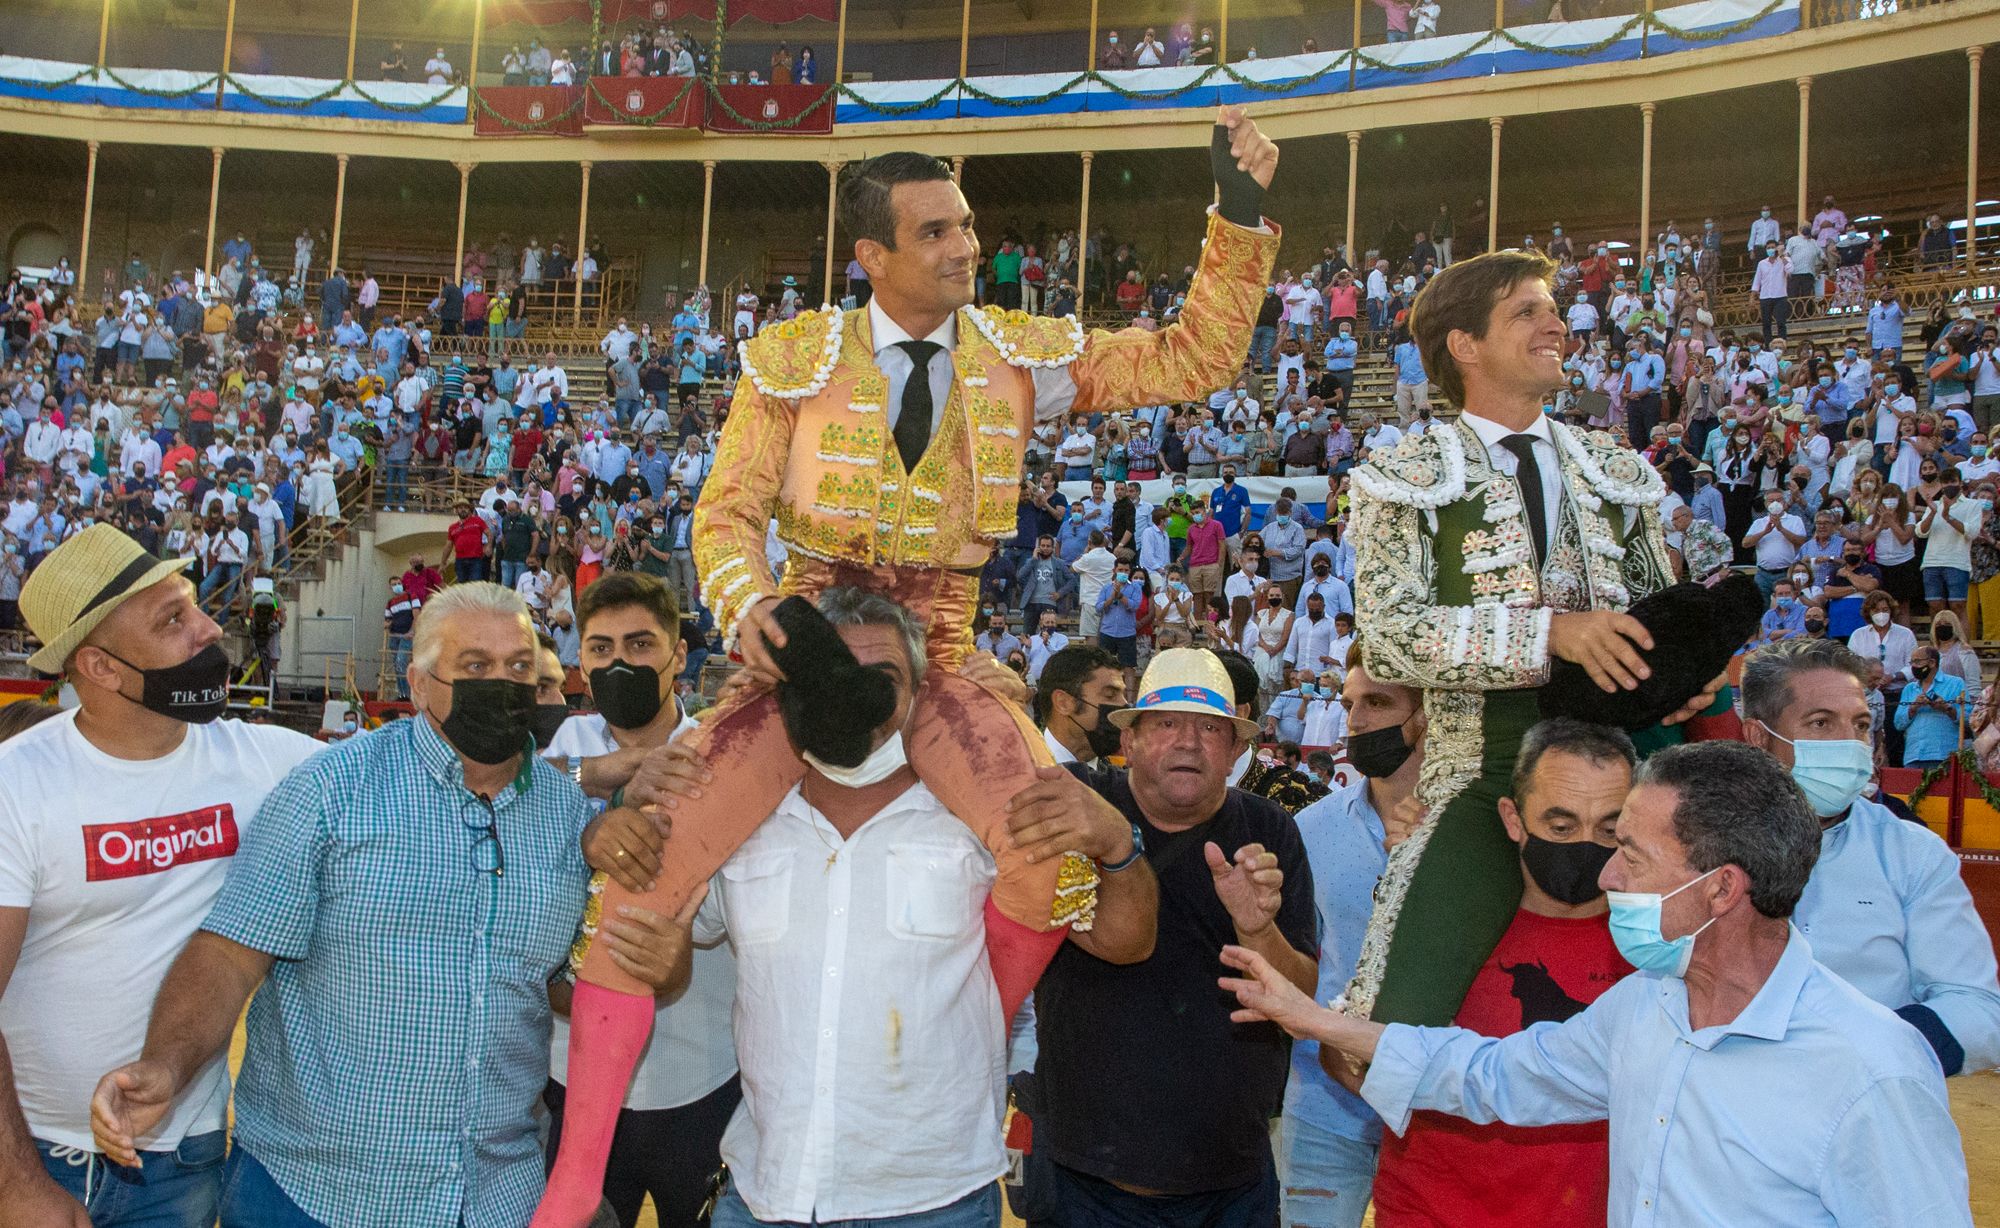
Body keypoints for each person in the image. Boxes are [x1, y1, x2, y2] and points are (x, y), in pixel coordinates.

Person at [535, 110, 1284, 1228]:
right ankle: (569, 1187)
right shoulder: (791, 359)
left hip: (938, 648)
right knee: (641, 884)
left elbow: (1194, 355)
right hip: (803, 644)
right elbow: (727, 510)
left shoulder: (1019, 355)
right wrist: (747, 612)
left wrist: (1233, 214)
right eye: (933, 230)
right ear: (869, 255)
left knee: (1046, 855)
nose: (963, 246)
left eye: (966, 225)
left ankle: (968, 1030)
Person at [88, 584, 690, 1228]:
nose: (503, 684)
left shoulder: (566, 815)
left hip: (493, 1195)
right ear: (420, 683)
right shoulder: (330, 792)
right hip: (317, 1194)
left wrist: (665, 967)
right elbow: (230, 955)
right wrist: (165, 1065)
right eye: (475, 667)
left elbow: (557, 984)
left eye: (519, 667)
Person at [1225, 740, 1974, 1228]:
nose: (1605, 875)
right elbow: (1491, 1075)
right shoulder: (1645, 1007)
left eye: (1632, 856)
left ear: (1721, 890)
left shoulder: (1871, 1072)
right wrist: (1317, 1021)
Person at [625, 589, 1158, 1228]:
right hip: (766, 1192)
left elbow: (1127, 941)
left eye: (884, 679)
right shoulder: (740, 820)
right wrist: (628, 818)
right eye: (835, 672)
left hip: (935, 1202)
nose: (856, 698)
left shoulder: (987, 819)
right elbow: (672, 952)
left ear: (917, 696)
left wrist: (1119, 846)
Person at [1345, 249, 1689, 1029]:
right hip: (1486, 773)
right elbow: (1393, 638)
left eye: (1552, 309)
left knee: (1720, 982)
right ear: (1464, 345)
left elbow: (1660, 611)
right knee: (1396, 1021)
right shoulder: (1402, 475)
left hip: (1632, 765)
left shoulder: (1615, 467)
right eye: (1527, 312)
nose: (1555, 325)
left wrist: (1689, 670)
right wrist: (1551, 635)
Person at [0, 526, 320, 1228]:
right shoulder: (17, 785)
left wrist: (592, 774)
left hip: (186, 1154)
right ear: (102, 667)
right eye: (173, 620)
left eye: (195, 606)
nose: (210, 629)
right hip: (35, 1153)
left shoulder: (263, 761)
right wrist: (14, 1185)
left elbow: (423, 774)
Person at [1030, 648, 1315, 1225]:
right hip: (1085, 1177)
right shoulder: (1080, 802)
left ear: (1237, 751)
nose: (1189, 742)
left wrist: (1257, 927)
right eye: (1166, 724)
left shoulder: (1268, 829)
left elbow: (1299, 996)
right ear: (1128, 740)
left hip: (1232, 1178)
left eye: (1211, 729)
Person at [1369, 719, 1637, 1228]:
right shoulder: (1448, 924)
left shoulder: (1652, 942)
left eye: (1608, 828)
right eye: (1561, 826)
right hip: (1430, 1211)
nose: (1584, 844)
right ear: (1513, 819)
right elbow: (1360, 1055)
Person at [538, 574, 741, 1228]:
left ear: (679, 655)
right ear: (581, 660)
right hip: (570, 1079)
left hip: (704, 1078)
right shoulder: (555, 755)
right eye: (600, 649)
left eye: (640, 644)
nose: (618, 663)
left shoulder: (726, 754)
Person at [1739, 638, 2000, 1077]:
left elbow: (1977, 1012)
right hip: (1726, 1115)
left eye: (1860, 725)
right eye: (1821, 723)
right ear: (1759, 738)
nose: (1850, 743)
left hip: (1873, 1112)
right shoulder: (1694, 845)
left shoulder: (1912, 853)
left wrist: (1848, 1049)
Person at [1281, 651, 1425, 1227]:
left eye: (1378, 703)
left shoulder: (1477, 834)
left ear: (1426, 716)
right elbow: (1300, 964)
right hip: (1324, 1107)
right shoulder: (1311, 829)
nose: (1356, 720)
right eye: (1348, 705)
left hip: (1433, 1110)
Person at [1034, 643, 1128, 768]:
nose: (1125, 705)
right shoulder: (1017, 775)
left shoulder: (1125, 775)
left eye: (1123, 695)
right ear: (1063, 703)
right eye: (1110, 695)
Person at [1894, 645, 1970, 769]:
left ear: (1932, 662)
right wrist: (1912, 708)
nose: (1913, 666)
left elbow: (1967, 719)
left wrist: (1947, 708)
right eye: (1912, 662)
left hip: (1944, 755)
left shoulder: (1955, 683)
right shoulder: (1909, 688)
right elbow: (1898, 723)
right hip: (1914, 755)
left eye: (1917, 662)